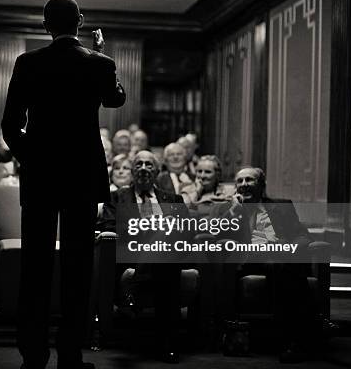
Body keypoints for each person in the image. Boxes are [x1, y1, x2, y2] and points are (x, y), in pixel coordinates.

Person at [2, 0, 125, 369]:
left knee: (35, 267)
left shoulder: (28, 62)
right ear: (81, 22)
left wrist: (34, 158)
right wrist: (104, 58)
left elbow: (10, 125)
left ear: (45, 25)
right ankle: (71, 355)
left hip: (41, 179)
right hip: (83, 177)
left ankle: (33, 355)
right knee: (78, 268)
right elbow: (116, 99)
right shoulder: (100, 63)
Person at [210, 167, 314, 363]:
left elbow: (301, 234)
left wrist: (292, 247)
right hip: (247, 260)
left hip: (279, 257)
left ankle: (293, 340)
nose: (243, 185)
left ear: (262, 185)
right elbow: (212, 235)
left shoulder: (281, 206)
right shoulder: (225, 209)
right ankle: (296, 339)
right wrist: (234, 211)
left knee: (281, 264)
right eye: (239, 181)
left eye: (250, 180)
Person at [97, 150, 189, 363]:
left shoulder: (173, 199)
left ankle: (135, 283)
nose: (144, 169)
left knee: (166, 239)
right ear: (131, 171)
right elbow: (108, 225)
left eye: (149, 165)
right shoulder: (117, 197)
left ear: (157, 171)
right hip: (133, 255)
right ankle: (168, 343)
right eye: (138, 165)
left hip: (167, 256)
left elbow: (186, 230)